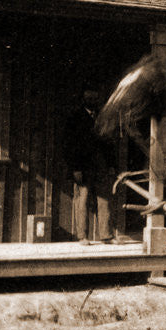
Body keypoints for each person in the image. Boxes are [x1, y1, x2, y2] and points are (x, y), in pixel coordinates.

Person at [63, 87, 122, 244]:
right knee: (82, 200)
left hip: (101, 165)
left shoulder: (103, 118)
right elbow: (70, 145)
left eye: (95, 98)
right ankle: (82, 236)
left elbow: (108, 144)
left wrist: (111, 165)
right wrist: (75, 168)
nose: (92, 101)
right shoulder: (75, 118)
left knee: (105, 200)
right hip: (82, 166)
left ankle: (106, 235)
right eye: (89, 98)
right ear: (83, 99)